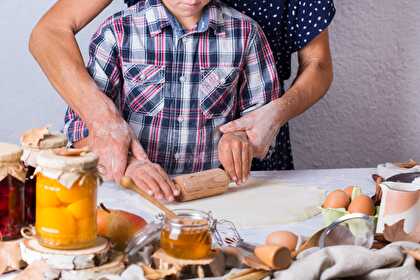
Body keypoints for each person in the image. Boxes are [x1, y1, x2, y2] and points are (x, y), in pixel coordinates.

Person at [29, 0, 334, 197]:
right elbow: (50, 32)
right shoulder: (119, 32)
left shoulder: (246, 34)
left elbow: (318, 65)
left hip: (240, 167)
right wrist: (103, 124)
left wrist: (273, 114)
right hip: (135, 179)